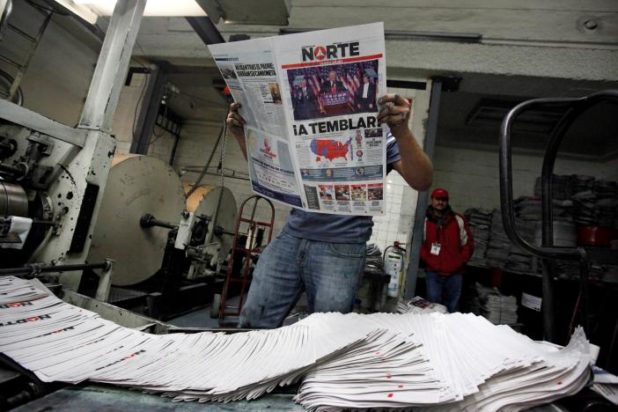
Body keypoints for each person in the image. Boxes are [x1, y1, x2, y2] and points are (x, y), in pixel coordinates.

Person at [226, 94, 433, 328]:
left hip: (342, 245)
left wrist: (402, 132)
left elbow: (422, 181)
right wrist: (241, 135)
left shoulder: (381, 131)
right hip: (292, 236)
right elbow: (270, 171)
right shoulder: (305, 127)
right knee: (253, 319)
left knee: (324, 334)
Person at [420, 188, 474, 313]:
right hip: (433, 272)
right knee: (433, 309)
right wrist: (429, 260)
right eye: (437, 199)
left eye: (443, 200)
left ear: (447, 202)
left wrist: (460, 261)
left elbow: (468, 243)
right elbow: (419, 243)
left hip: (455, 273)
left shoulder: (457, 220)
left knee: (452, 308)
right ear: (432, 200)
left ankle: (448, 333)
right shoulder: (424, 220)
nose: (440, 202)